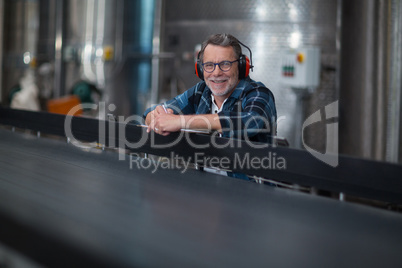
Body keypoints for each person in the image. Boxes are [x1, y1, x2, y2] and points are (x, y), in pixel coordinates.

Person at [144, 33, 277, 145]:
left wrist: (180, 122)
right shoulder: (201, 91)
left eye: (225, 64)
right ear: (200, 70)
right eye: (209, 65)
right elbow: (149, 113)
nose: (216, 73)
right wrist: (156, 119)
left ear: (242, 66)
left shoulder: (259, 93)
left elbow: (251, 121)